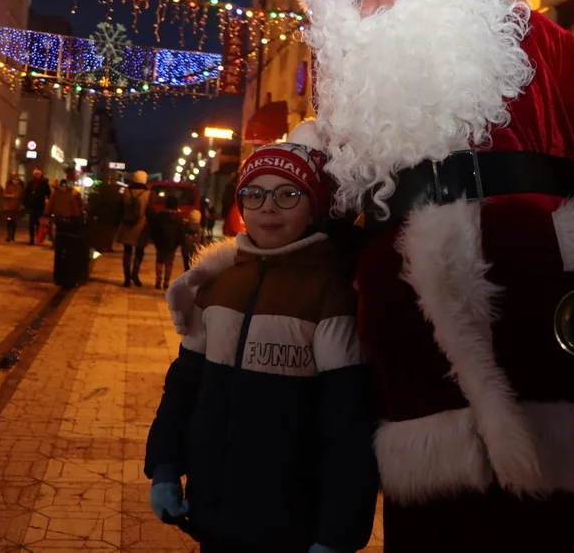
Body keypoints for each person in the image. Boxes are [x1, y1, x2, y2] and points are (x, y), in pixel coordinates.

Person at [169, 0, 574, 552]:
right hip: (413, 337)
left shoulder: (532, 40)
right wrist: (247, 260)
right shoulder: (350, 103)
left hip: (545, 314)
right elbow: (312, 209)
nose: (381, 1)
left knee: (546, 515)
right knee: (429, 518)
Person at [146, 138, 379, 553]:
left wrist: (337, 532)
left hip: (291, 523)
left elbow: (349, 426)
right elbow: (183, 390)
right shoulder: (219, 286)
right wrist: (165, 467)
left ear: (315, 206)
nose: (268, 207)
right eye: (254, 194)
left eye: (288, 194)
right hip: (211, 510)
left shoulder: (330, 294)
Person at [117, 170, 153, 287]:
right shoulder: (148, 194)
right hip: (141, 226)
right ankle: (135, 274)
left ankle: (126, 278)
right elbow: (150, 211)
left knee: (127, 252)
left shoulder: (126, 191)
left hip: (126, 225)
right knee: (139, 252)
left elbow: (120, 208)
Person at [150, 195, 185, 290]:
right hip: (172, 244)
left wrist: (155, 240)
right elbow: (180, 232)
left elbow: (154, 229)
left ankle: (158, 281)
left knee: (159, 261)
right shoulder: (178, 218)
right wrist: (178, 243)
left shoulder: (159, 215)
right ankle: (166, 282)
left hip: (160, 243)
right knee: (169, 263)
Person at [23, 167, 51, 245]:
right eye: (35, 174)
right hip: (32, 206)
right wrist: (25, 203)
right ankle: (31, 239)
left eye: (38, 173)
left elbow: (48, 194)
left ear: (41, 174)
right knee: (31, 224)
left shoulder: (44, 183)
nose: (37, 175)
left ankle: (38, 238)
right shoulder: (31, 183)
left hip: (40, 206)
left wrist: (50, 203)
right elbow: (26, 194)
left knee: (39, 224)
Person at [1, 171, 25, 242]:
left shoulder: (21, 185)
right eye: (14, 176)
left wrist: (22, 204)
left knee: (15, 222)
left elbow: (23, 196)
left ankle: (13, 235)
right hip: (9, 206)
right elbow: (4, 194)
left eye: (16, 176)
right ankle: (8, 235)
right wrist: (11, 195)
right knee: (9, 221)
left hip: (17, 207)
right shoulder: (8, 184)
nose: (15, 177)